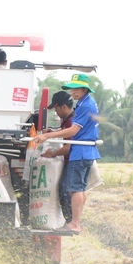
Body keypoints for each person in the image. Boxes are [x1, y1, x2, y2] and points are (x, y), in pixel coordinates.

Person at [34, 73, 100, 235]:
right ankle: (75, 222)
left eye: (76, 89)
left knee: (74, 189)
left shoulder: (85, 105)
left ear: (85, 88)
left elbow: (73, 130)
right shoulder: (86, 103)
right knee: (80, 188)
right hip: (86, 151)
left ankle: (74, 224)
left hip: (80, 151)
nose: (73, 93)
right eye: (71, 89)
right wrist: (55, 131)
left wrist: (47, 136)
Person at [41, 91, 74, 222]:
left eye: (56, 109)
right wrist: (54, 132)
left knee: (64, 190)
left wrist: (53, 153)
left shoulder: (71, 121)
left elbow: (70, 146)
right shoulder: (67, 120)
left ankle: (70, 221)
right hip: (69, 160)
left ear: (64, 107)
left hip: (73, 161)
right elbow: (66, 135)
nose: (56, 112)